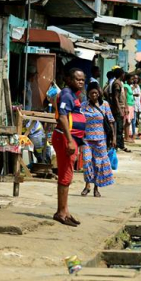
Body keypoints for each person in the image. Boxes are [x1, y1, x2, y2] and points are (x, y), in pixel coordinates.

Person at [53, 68, 85, 227]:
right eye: (77, 79)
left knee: (68, 175)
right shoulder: (66, 94)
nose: (81, 82)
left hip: (71, 139)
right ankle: (61, 212)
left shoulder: (74, 95)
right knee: (65, 174)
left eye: (82, 80)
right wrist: (70, 140)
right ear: (69, 80)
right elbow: (63, 117)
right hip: (65, 138)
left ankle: (65, 210)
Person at [80, 84, 114, 198]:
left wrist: (113, 138)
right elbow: (79, 121)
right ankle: (87, 185)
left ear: (99, 93)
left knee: (98, 164)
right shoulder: (83, 106)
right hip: (86, 139)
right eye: (91, 93)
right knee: (87, 161)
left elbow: (111, 122)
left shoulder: (105, 105)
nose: (94, 95)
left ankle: (96, 188)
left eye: (95, 93)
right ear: (88, 94)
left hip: (101, 140)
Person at [109, 68, 129, 153]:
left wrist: (126, 108)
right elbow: (115, 98)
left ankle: (120, 144)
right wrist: (120, 110)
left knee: (121, 127)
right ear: (121, 74)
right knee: (118, 128)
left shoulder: (120, 83)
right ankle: (117, 145)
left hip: (122, 107)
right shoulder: (116, 84)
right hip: (118, 109)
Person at [123, 74, 135, 143]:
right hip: (128, 105)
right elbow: (124, 96)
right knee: (127, 121)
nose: (132, 81)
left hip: (131, 105)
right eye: (131, 79)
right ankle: (126, 137)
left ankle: (127, 136)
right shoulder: (125, 86)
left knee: (128, 121)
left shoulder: (129, 86)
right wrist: (126, 106)